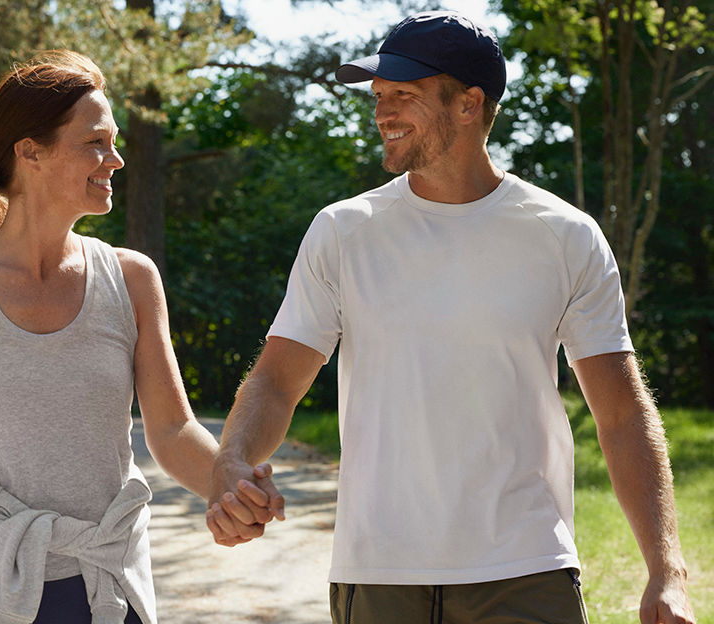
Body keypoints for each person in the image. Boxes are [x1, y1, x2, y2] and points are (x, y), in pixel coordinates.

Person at [206, 11, 696, 624]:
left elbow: (622, 414)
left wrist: (666, 570)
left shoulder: (565, 237)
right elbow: (278, 381)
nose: (382, 113)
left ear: (469, 103)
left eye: (403, 95)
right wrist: (231, 460)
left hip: (526, 569)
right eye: (379, 96)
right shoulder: (343, 232)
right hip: (379, 573)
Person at [0, 50, 281, 624]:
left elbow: (170, 428)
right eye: (95, 142)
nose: (115, 159)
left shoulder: (132, 279)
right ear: (30, 152)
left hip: (102, 584)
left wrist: (228, 483)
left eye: (114, 142)